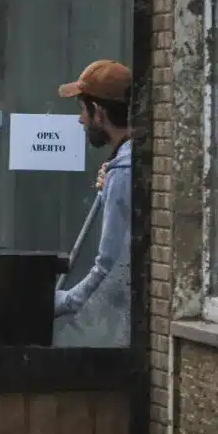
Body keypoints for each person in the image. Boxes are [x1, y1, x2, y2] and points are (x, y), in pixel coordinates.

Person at [54, 59, 132, 345]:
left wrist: (64, 301)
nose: (80, 120)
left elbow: (110, 264)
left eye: (82, 110)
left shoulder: (125, 171)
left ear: (98, 113)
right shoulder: (126, 164)